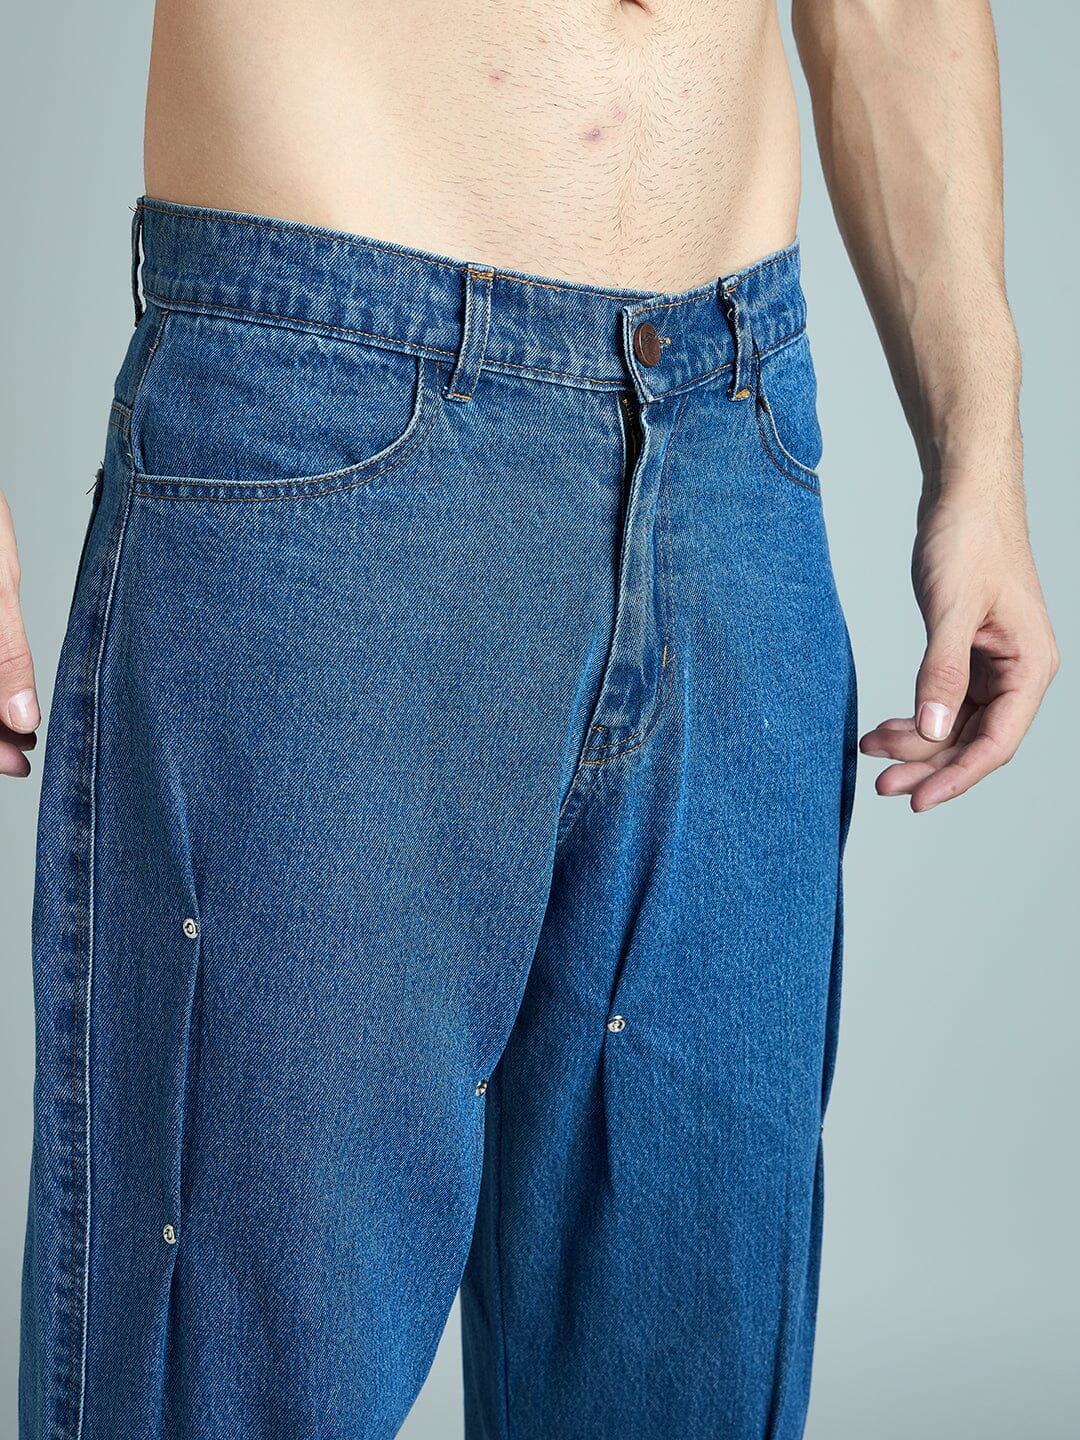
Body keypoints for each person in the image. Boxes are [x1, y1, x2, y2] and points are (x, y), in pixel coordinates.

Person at [11, 2, 1059, 1438]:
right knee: (231, 1384)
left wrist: (980, 451)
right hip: (330, 404)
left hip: (731, 440)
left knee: (686, 1384)